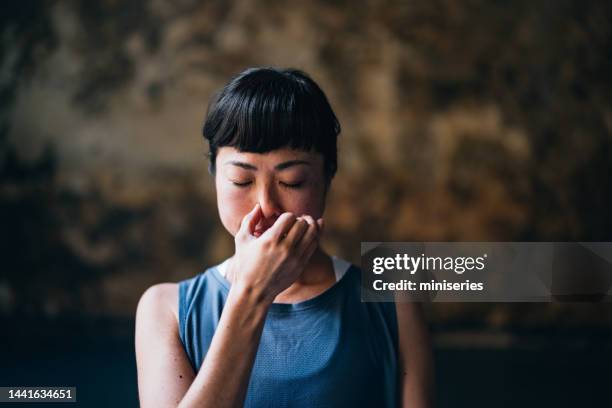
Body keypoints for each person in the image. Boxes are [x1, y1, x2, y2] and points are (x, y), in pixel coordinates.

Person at [135, 67, 434, 407]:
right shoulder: (167, 309)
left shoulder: (393, 303)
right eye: (241, 181)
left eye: (292, 181)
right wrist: (252, 293)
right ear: (215, 176)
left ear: (327, 178)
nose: (266, 205)